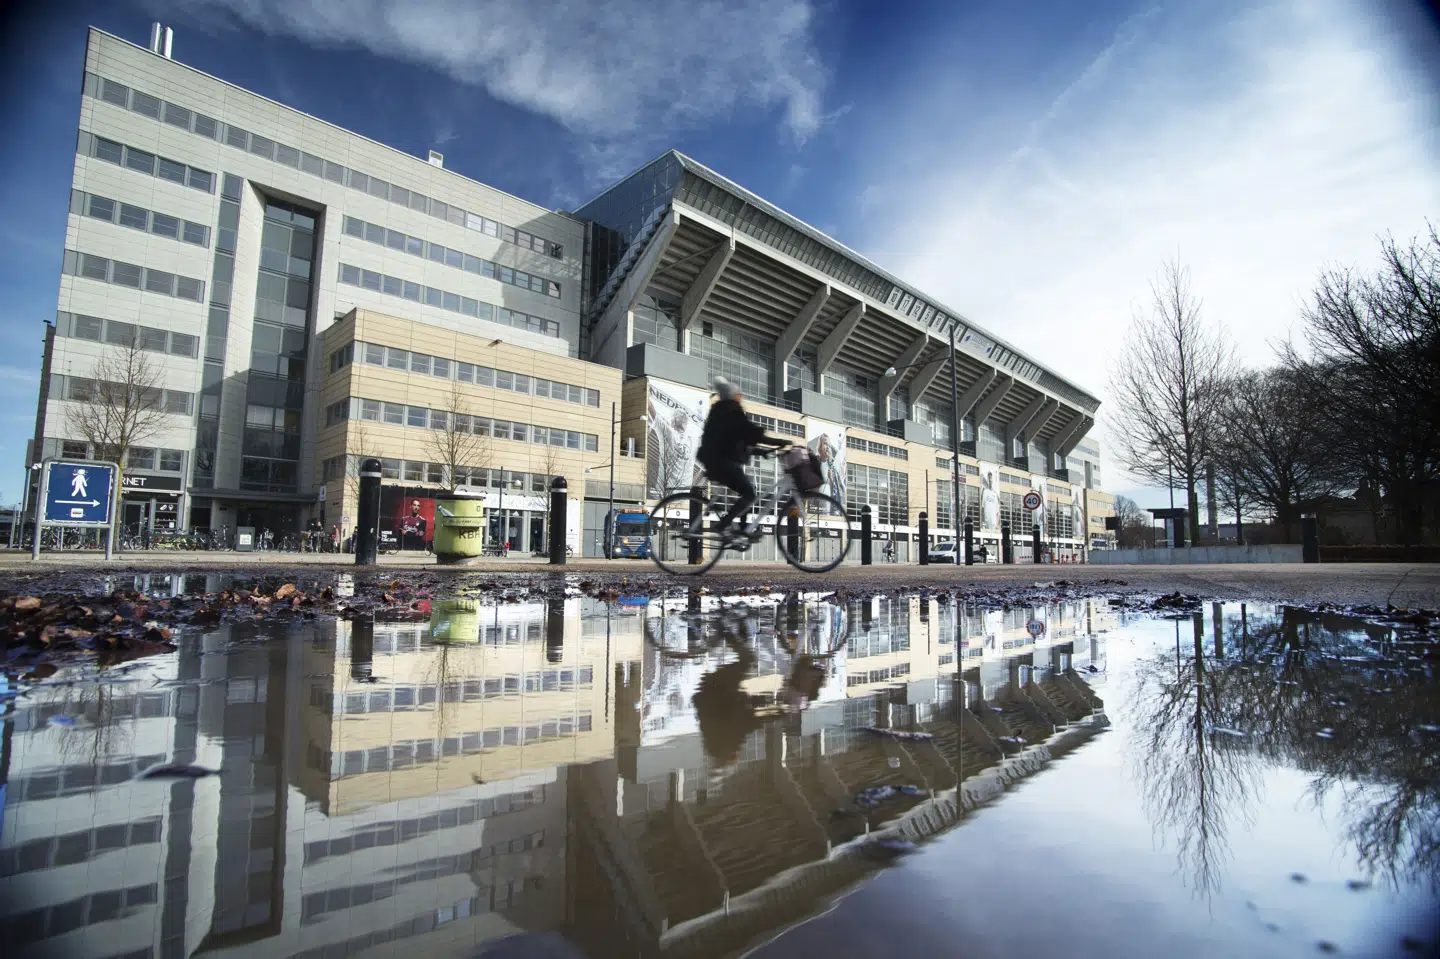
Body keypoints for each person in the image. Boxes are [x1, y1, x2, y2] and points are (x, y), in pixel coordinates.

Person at [696, 377, 787, 545]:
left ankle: (744, 529)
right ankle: (724, 525)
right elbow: (748, 432)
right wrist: (776, 442)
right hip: (720, 461)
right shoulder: (730, 410)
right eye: (739, 394)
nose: (741, 397)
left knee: (747, 491)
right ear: (733, 395)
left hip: (716, 460)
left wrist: (762, 451)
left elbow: (738, 441)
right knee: (749, 493)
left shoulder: (722, 410)